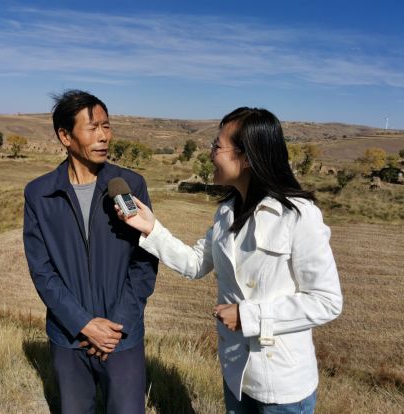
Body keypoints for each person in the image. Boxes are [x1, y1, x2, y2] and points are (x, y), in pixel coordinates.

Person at [116, 107, 343, 413]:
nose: (210, 154)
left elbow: (326, 301)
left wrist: (249, 317)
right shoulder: (226, 212)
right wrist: (151, 228)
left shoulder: (298, 216)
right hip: (237, 374)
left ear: (247, 157)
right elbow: (196, 263)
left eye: (217, 146)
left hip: (283, 386)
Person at [23, 90, 158, 413]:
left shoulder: (129, 185)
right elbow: (42, 271)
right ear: (65, 136)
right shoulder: (40, 194)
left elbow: (144, 262)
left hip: (121, 336)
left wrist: (117, 325)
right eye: (93, 128)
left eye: (107, 126)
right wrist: (83, 323)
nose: (103, 137)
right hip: (69, 337)